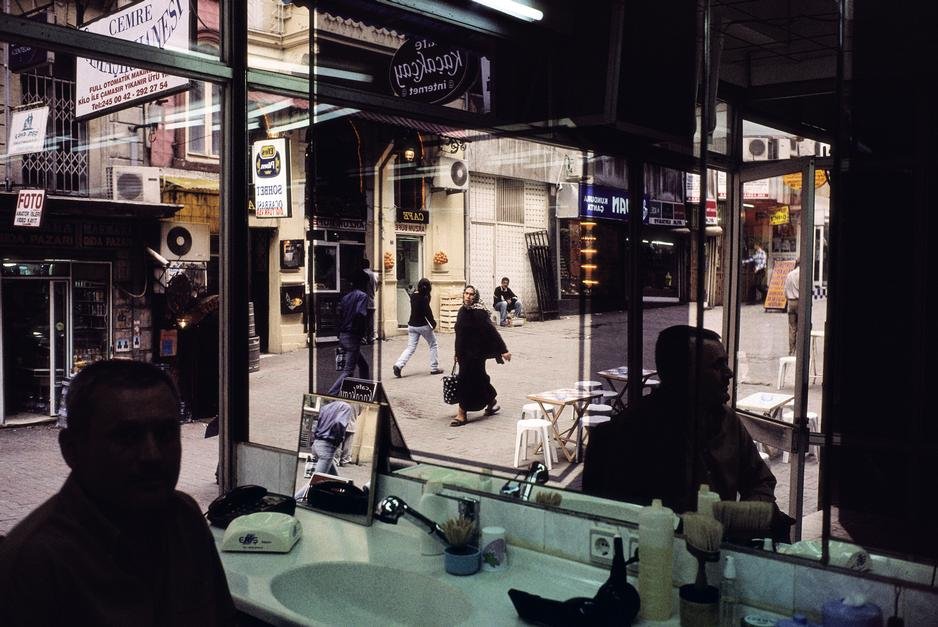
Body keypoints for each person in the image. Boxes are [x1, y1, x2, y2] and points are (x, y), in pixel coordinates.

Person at [0, 360, 235, 625]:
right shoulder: (34, 563)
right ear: (72, 449)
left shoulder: (186, 520)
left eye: (166, 434)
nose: (152, 455)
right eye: (127, 437)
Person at [583, 325, 777, 515]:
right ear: (683, 374)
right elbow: (610, 517)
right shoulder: (625, 436)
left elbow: (760, 481)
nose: (729, 373)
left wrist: (743, 516)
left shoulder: (728, 421)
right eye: (717, 365)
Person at [452, 285, 511, 427]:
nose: (468, 296)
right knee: (480, 380)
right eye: (466, 293)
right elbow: (459, 335)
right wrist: (456, 353)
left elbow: (492, 331)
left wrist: (503, 350)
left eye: (471, 294)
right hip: (464, 355)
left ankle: (462, 413)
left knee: (465, 380)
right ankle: (491, 402)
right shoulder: (462, 311)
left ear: (475, 296)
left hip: (476, 355)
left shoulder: (479, 313)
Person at [328, 271, 370, 395]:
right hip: (352, 336)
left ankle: (365, 391)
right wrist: (361, 333)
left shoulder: (346, 297)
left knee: (363, 365)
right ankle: (332, 394)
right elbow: (360, 314)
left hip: (343, 335)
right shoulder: (362, 296)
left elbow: (339, 315)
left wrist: (339, 333)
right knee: (348, 370)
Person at [393, 278, 443, 378]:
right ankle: (434, 368)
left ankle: (398, 365)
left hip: (412, 325)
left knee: (410, 347)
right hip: (423, 326)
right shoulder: (425, 298)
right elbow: (428, 313)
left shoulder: (413, 296)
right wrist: (433, 324)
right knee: (433, 344)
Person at [312, 400, 355, 475]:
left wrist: (313, 440)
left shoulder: (326, 407)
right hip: (327, 446)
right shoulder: (346, 406)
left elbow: (316, 424)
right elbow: (339, 422)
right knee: (317, 480)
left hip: (317, 443)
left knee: (334, 478)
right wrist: (337, 441)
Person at [361, 258, 379, 344]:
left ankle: (363, 338)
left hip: (362, 302)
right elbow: (376, 288)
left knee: (363, 321)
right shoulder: (374, 275)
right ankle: (371, 338)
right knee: (371, 321)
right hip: (371, 301)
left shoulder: (361, 274)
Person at [784, 259, 800, 356]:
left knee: (792, 328)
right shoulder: (802, 274)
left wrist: (788, 299)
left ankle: (791, 350)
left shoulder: (789, 274)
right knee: (800, 327)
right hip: (800, 302)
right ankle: (799, 349)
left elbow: (785, 290)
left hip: (791, 302)